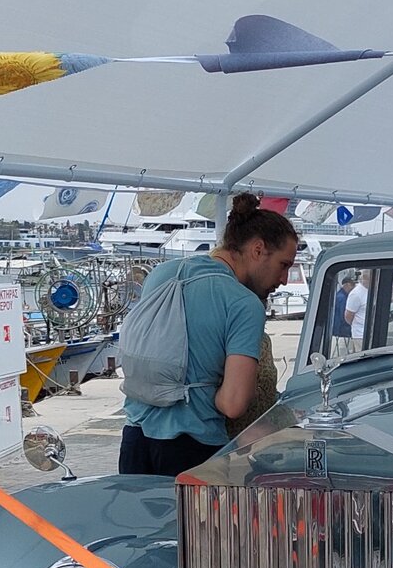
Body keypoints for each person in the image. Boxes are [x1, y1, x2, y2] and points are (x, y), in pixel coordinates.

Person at [118, 192, 297, 476]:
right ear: (258, 249)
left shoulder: (161, 275)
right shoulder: (242, 303)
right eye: (284, 265)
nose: (284, 279)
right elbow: (233, 404)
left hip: (135, 441)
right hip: (192, 450)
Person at [345, 270, 370, 343]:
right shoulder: (356, 294)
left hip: (372, 333)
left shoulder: (371, 290)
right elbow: (348, 316)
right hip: (360, 335)